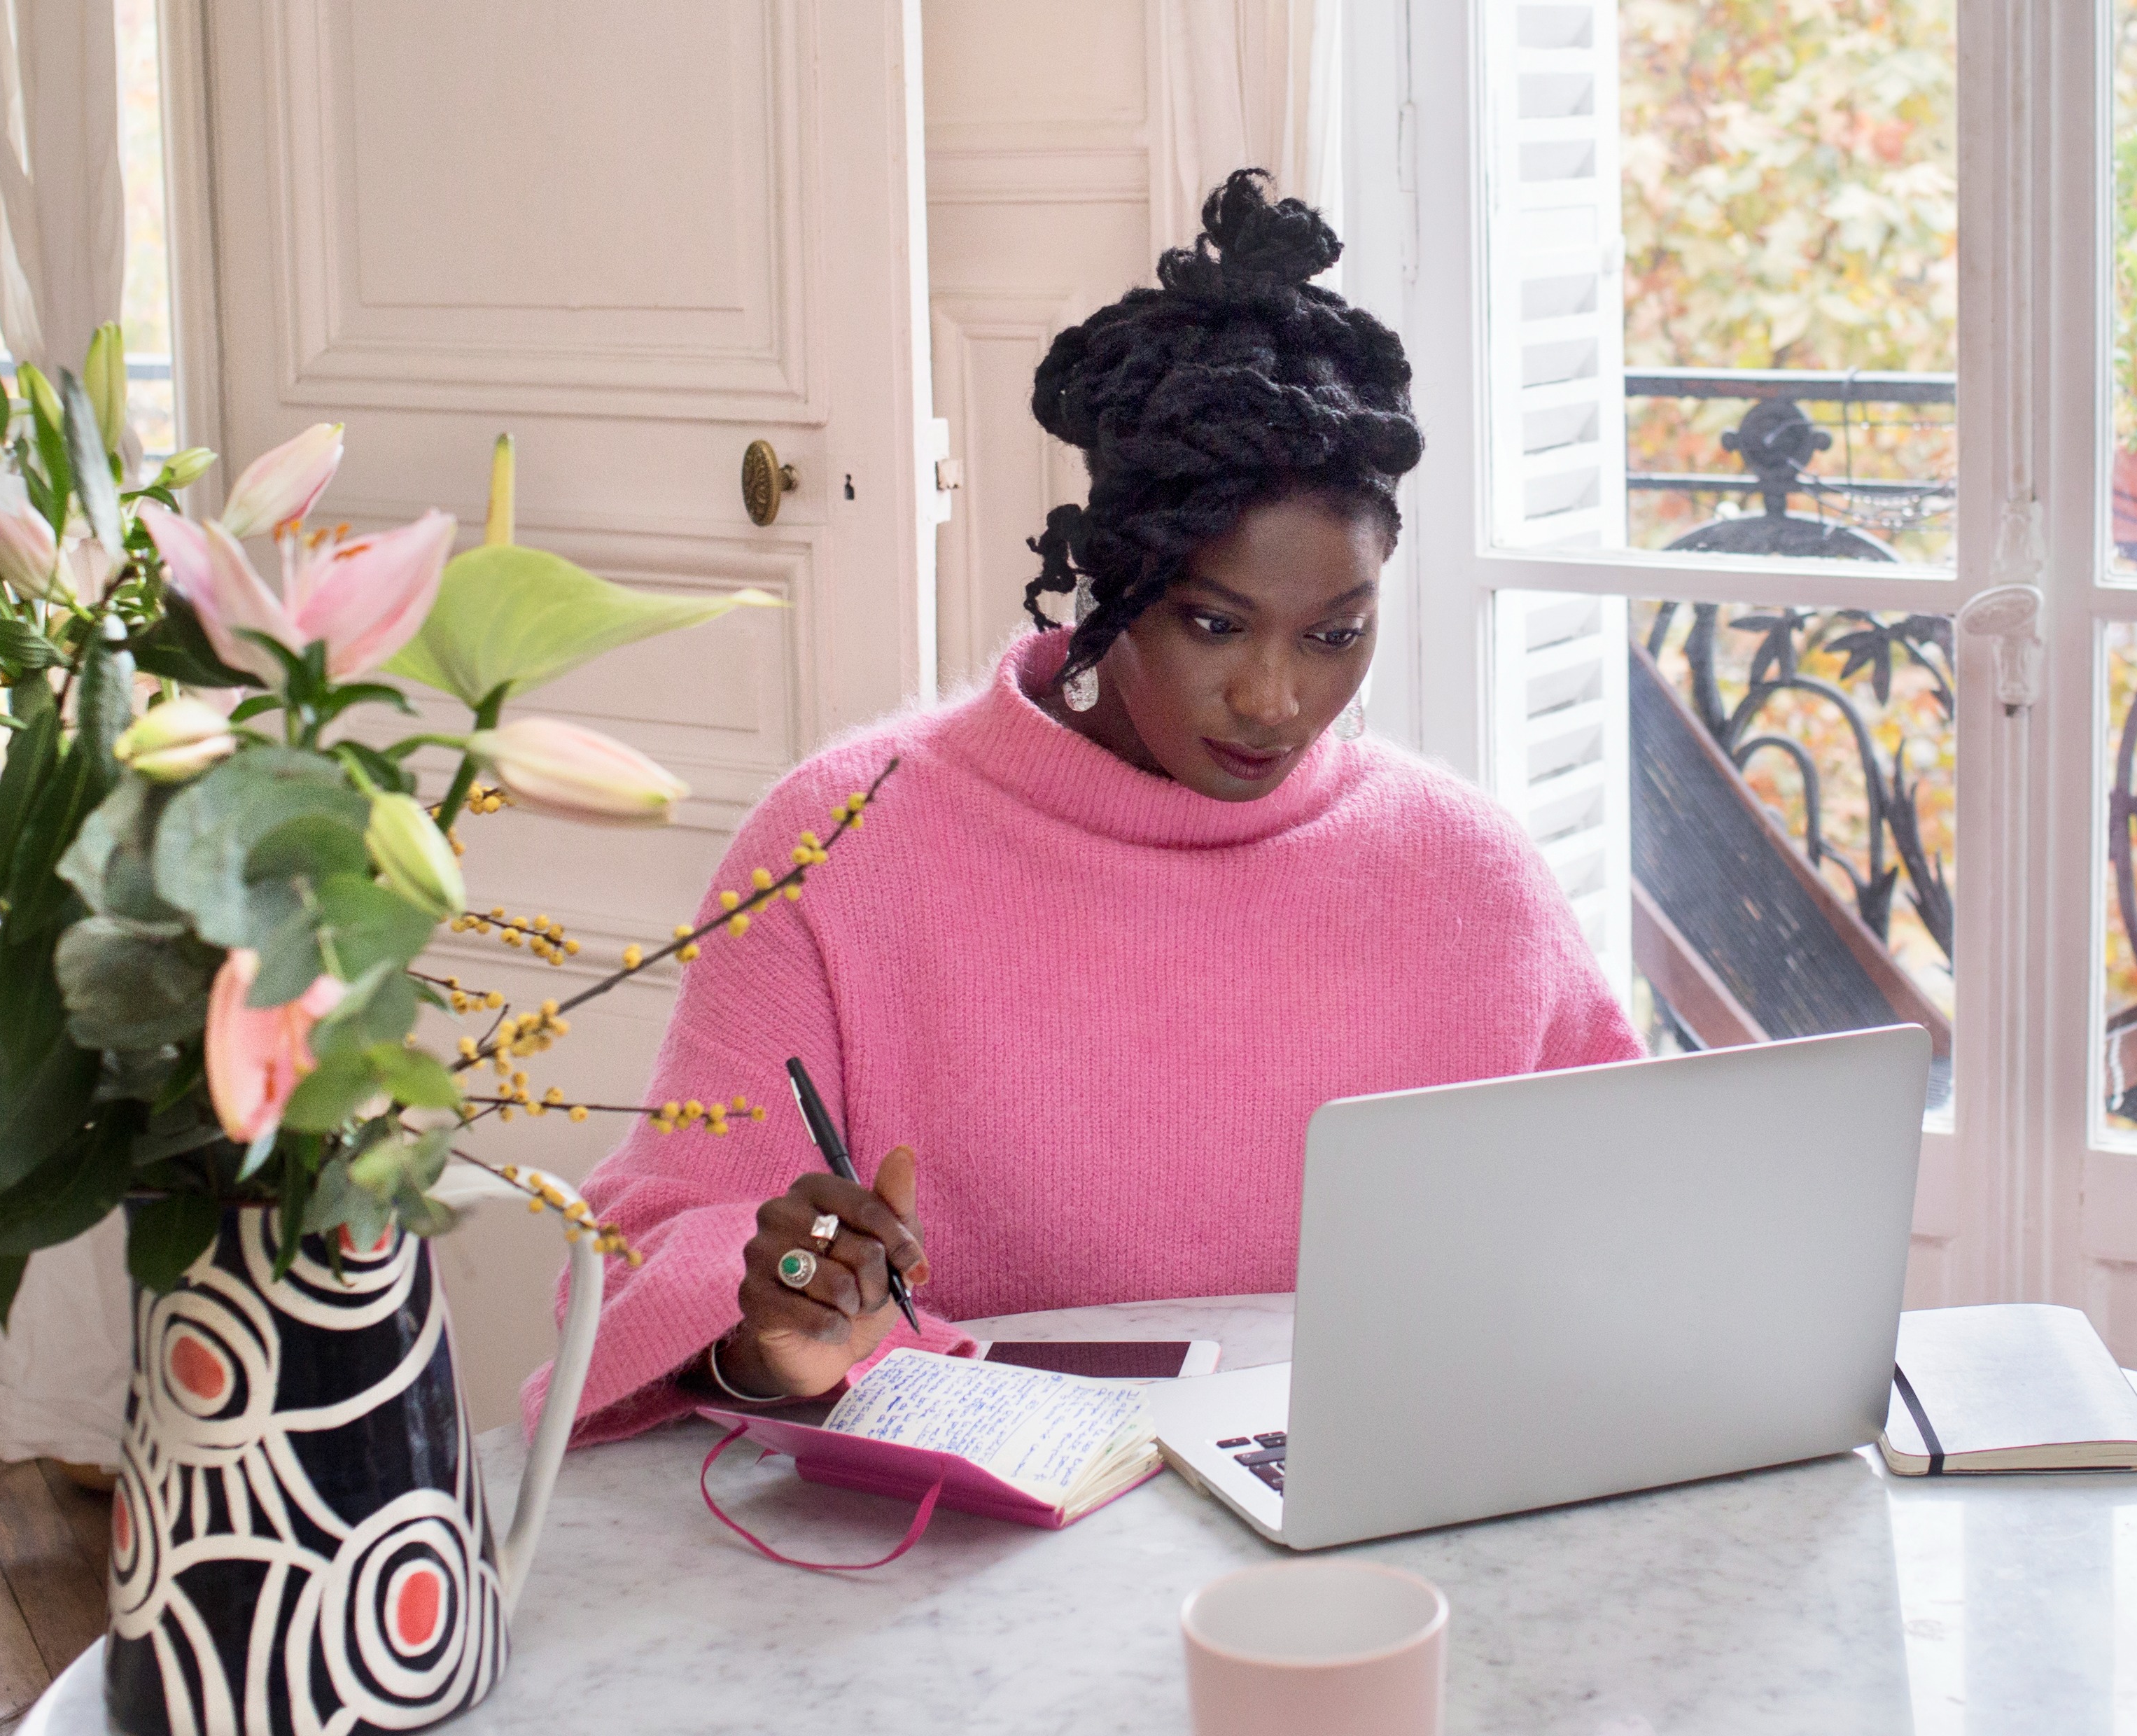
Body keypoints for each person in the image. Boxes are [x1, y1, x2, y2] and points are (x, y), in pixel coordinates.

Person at [522, 172, 1642, 1441]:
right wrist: (768, 1334)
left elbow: (1635, 1223)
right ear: (1108, 583)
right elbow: (650, 1257)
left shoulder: (1465, 873)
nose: (1275, 699)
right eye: (1215, 625)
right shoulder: (843, 840)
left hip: (1383, 1528)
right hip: (958, 1559)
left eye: (1336, 633)